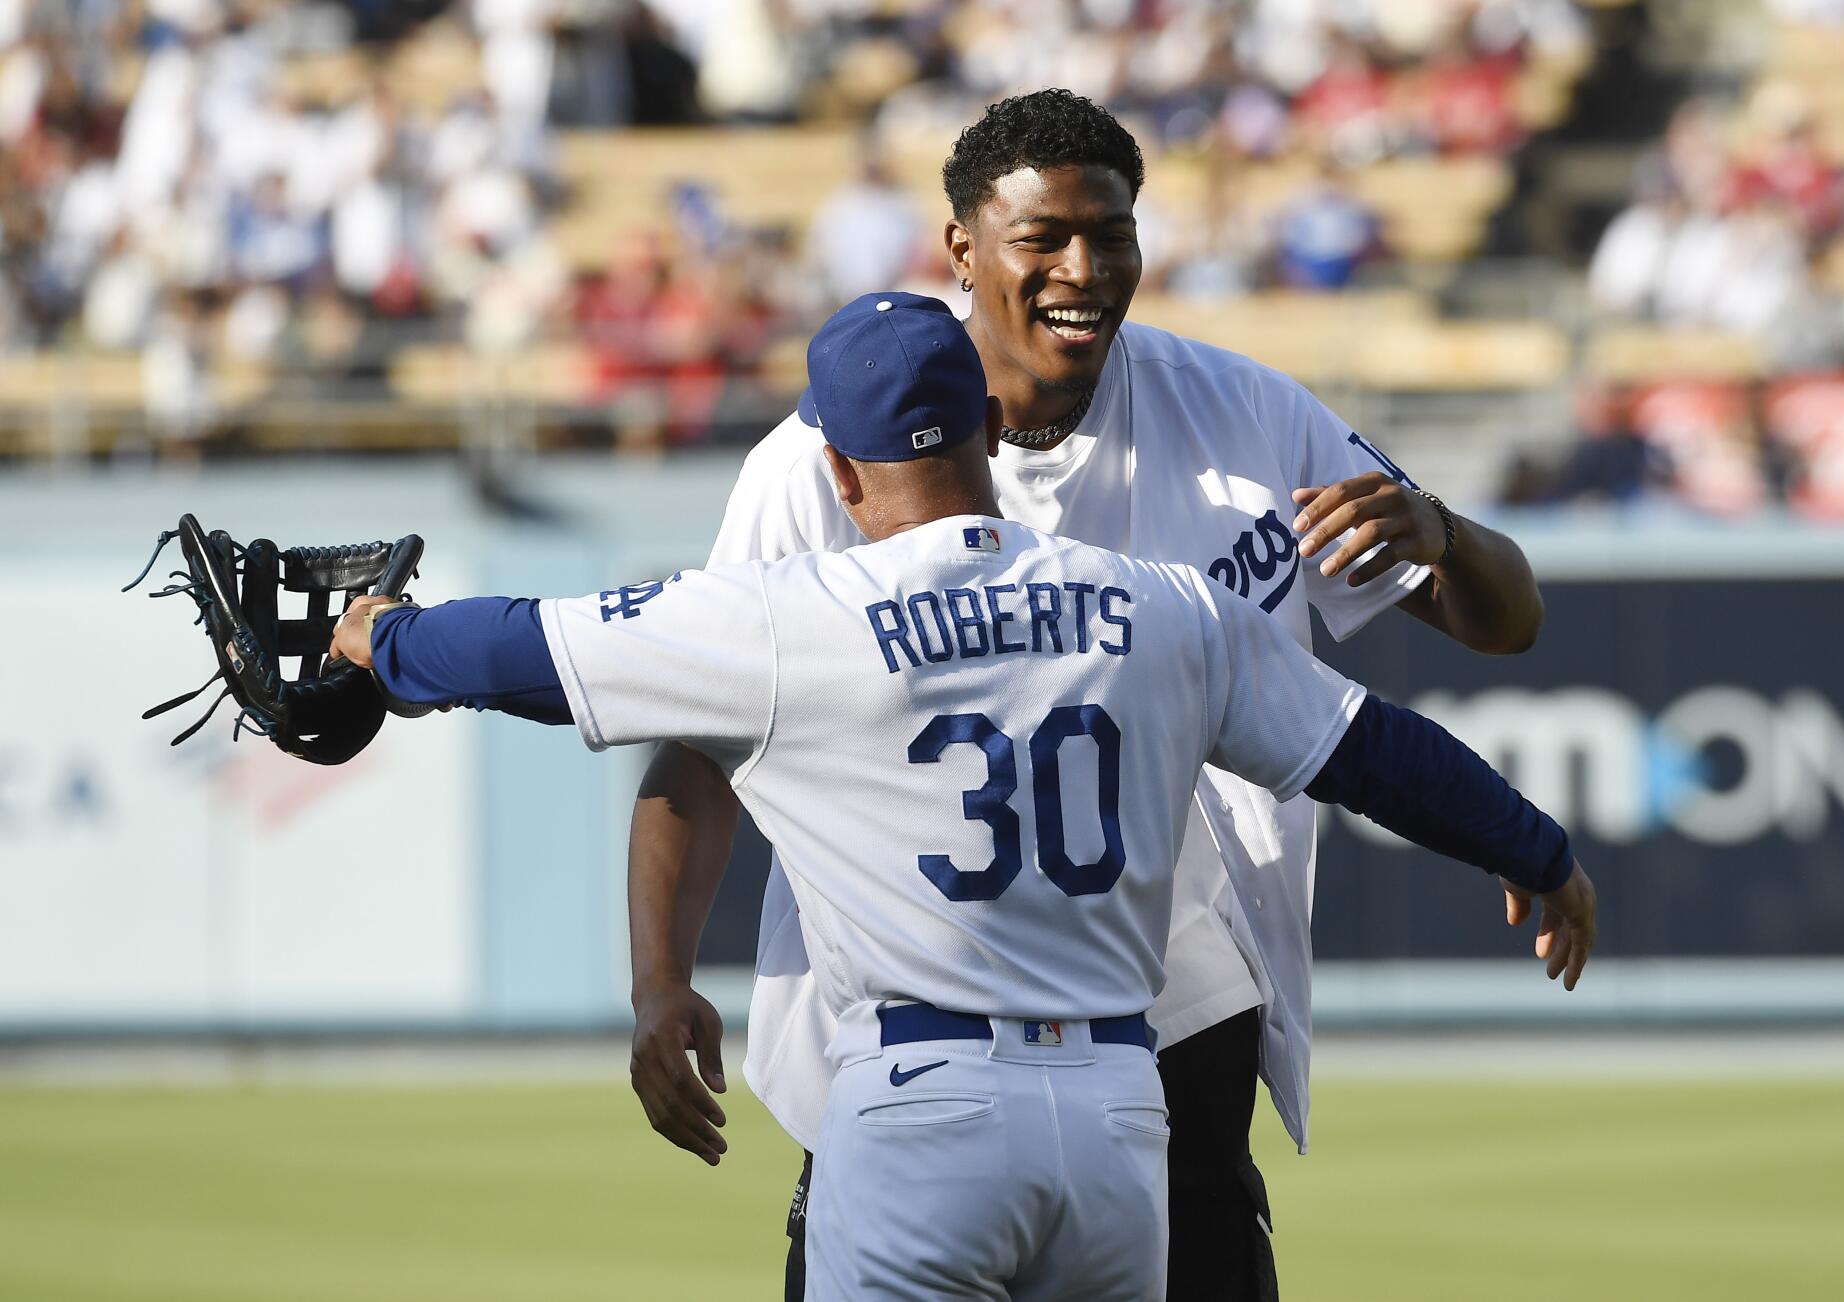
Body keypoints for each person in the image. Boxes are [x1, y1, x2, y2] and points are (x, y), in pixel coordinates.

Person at [329, 291, 1597, 1302]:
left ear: (835, 468)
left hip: (918, 1105)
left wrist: (376, 644)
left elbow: (517, 652)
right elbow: (1373, 749)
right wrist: (1538, 854)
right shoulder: (1158, 607)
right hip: (1116, 1123)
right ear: (988, 431)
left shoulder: (791, 619)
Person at [629, 90, 1548, 1302]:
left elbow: (1502, 619)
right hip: (907, 1029)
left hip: (1172, 1011)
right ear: (961, 249)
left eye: (1110, 235)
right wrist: (656, 982)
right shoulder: (817, 463)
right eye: (1044, 237)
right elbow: (700, 751)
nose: (1084, 268)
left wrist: (1438, 533)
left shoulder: (1244, 414)